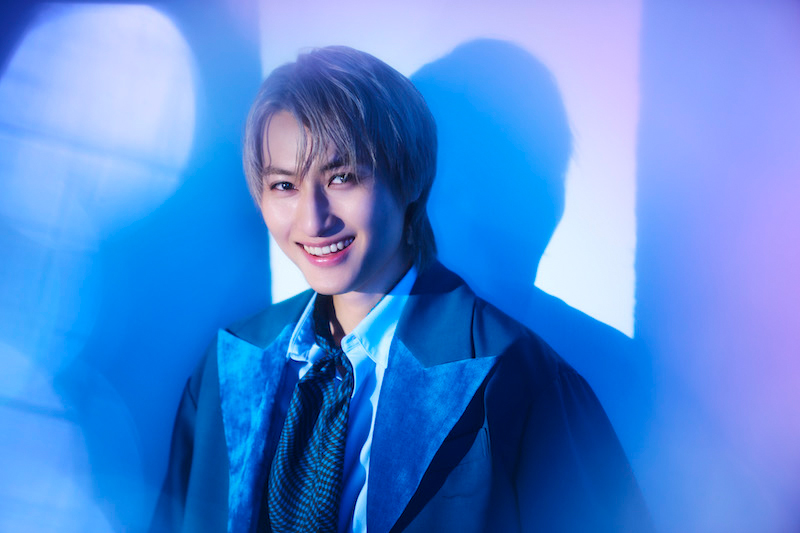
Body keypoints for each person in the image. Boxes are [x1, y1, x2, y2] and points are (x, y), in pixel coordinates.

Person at [150, 45, 651, 533]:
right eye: (285, 185)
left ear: (409, 178)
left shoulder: (516, 379)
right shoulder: (230, 366)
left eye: (342, 177)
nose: (313, 220)